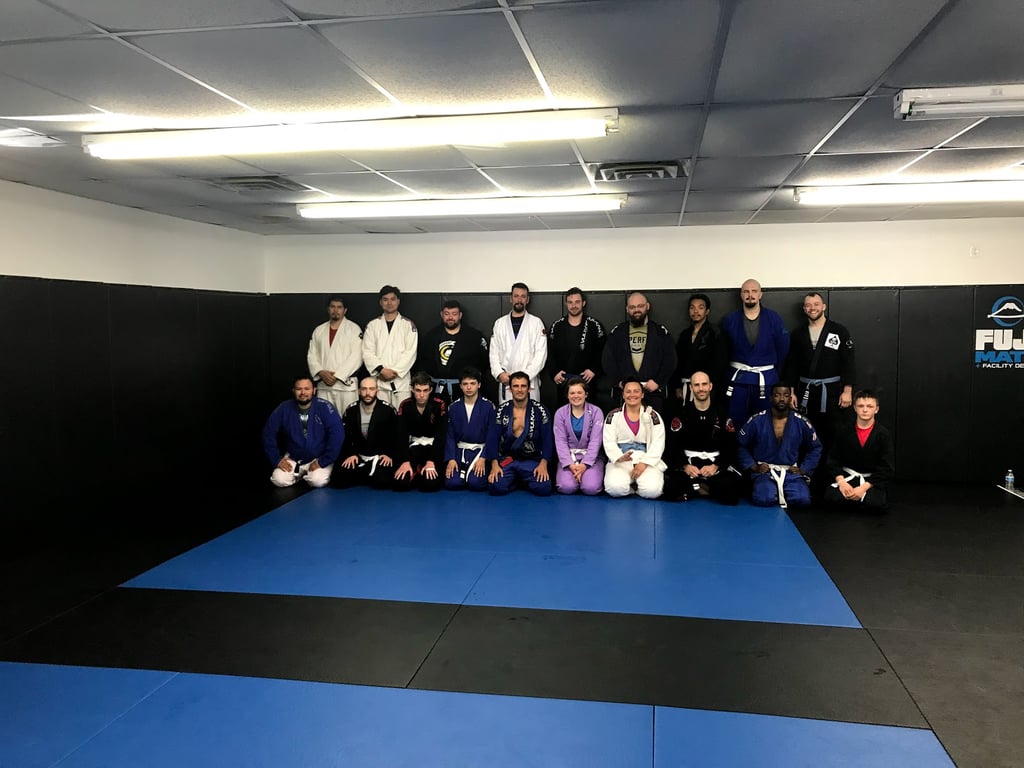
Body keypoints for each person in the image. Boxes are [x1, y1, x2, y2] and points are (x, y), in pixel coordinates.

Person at [783, 291, 856, 453]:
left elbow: (848, 362)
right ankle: (810, 468)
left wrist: (848, 390)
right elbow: (792, 365)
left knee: (833, 433)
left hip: (831, 392)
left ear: (824, 307)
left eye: (816, 304)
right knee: (807, 433)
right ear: (804, 309)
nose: (812, 308)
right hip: (806, 392)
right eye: (808, 305)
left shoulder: (838, 331)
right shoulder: (798, 334)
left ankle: (832, 468)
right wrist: (791, 392)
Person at [736, 383, 821, 508]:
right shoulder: (757, 420)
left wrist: (804, 469)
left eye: (786, 395)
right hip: (765, 472)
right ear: (771, 398)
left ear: (790, 398)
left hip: (790, 472)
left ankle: (784, 490)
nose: (782, 399)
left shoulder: (801, 422)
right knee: (764, 499)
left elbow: (816, 447)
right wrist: (753, 466)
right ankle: (769, 490)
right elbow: (741, 444)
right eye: (777, 395)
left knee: (802, 500)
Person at [720, 279, 790, 430]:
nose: (750, 295)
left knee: (765, 425)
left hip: (765, 379)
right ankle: (737, 446)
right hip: (738, 380)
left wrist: (775, 373)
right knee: (734, 424)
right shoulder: (730, 320)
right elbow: (723, 352)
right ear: (741, 295)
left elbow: (783, 348)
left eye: (754, 291)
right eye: (746, 291)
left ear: (760, 295)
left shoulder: (774, 318)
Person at [663, 371, 741, 504]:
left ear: (710, 386)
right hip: (690, 464)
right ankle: (705, 488)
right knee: (671, 488)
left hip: (713, 464)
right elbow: (672, 444)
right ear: (691, 387)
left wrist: (716, 466)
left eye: (704, 384)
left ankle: (694, 489)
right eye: (697, 385)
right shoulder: (682, 413)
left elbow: (731, 445)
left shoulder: (721, 413)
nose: (701, 388)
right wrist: (685, 465)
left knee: (731, 492)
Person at [262, 376, 344, 488]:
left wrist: (323, 461)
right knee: (278, 480)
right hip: (294, 458)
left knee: (317, 481)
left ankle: (309, 474)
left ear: (314, 390)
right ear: (293, 391)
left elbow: (337, 435)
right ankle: (300, 474)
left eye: (307, 389)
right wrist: (277, 459)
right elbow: (268, 433)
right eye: (299, 389)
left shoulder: (325, 407)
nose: (303, 393)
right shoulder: (284, 408)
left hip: (319, 458)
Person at [602, 291, 677, 414]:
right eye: (632, 307)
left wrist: (658, 382)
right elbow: (607, 360)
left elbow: (671, 360)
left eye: (640, 306)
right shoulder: (618, 332)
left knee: (653, 424)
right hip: (626, 394)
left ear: (647, 306)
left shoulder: (660, 332)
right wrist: (619, 381)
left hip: (652, 392)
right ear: (627, 309)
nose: (636, 310)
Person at [824, 389, 894, 511]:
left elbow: (887, 468)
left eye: (869, 406)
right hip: (848, 477)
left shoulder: (883, 434)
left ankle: (859, 499)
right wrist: (842, 483)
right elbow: (833, 459)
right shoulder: (844, 431)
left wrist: (863, 488)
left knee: (876, 504)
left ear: (876, 409)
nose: (865, 410)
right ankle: (855, 499)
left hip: (870, 481)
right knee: (831, 498)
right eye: (861, 406)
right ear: (855, 408)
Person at [489, 371, 554, 496]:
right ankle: (519, 479)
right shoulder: (501, 411)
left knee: (544, 488)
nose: (519, 390)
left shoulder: (541, 410)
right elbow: (492, 438)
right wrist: (494, 464)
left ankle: (519, 478)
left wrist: (543, 463)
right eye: (516, 386)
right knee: (495, 486)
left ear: (529, 389)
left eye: (523, 386)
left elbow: (547, 439)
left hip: (531, 460)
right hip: (508, 460)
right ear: (510, 389)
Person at [602, 377, 667, 499]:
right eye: (628, 391)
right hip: (622, 459)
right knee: (615, 489)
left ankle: (638, 484)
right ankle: (631, 486)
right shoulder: (613, 416)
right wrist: (619, 457)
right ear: (623, 395)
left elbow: (658, 442)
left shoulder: (653, 416)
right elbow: (608, 441)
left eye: (636, 391)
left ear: (642, 394)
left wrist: (644, 463)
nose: (632, 395)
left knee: (652, 491)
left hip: (645, 459)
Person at [417, 299, 490, 403]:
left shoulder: (473, 336)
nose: (450, 317)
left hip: (464, 389)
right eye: (447, 314)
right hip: (437, 389)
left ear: (460, 315)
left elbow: (483, 363)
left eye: (454, 314)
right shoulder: (431, 336)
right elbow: (422, 361)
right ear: (441, 315)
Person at [336, 377, 399, 489]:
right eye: (364, 389)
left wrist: (389, 454)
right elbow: (345, 436)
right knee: (339, 480)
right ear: (359, 391)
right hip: (358, 455)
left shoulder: (388, 410)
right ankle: (366, 472)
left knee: (381, 482)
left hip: (380, 456)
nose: (367, 393)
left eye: (371, 389)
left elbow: (396, 436)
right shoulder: (351, 410)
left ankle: (366, 473)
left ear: (377, 391)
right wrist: (351, 454)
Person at [489, 282, 547, 403]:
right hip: (506, 380)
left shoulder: (536, 323)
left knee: (530, 413)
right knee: (507, 413)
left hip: (529, 382)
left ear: (527, 299)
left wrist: (525, 377)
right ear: (511, 298)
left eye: (523, 296)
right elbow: (493, 353)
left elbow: (541, 355)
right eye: (516, 296)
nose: (519, 300)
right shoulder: (500, 323)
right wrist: (499, 373)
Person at [362, 285, 418, 409]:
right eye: (385, 299)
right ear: (380, 302)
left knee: (402, 416)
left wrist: (394, 372)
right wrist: (381, 370)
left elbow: (410, 353)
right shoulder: (372, 325)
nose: (389, 303)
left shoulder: (408, 325)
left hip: (400, 382)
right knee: (381, 416)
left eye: (393, 299)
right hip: (380, 380)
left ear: (398, 301)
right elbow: (367, 351)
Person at [548, 287, 606, 406]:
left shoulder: (594, 325)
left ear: (583, 303)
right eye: (570, 302)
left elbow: (602, 351)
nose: (573, 305)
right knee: (564, 412)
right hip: (564, 381)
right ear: (566, 304)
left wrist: (594, 370)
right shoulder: (557, 326)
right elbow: (550, 352)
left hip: (587, 380)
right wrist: (554, 372)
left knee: (589, 412)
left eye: (577, 302)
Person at [444, 367, 498, 492]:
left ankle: (474, 473)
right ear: (460, 386)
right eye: (465, 384)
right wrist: (451, 459)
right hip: (460, 451)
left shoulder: (489, 407)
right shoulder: (453, 407)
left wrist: (483, 458)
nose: (469, 387)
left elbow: (492, 436)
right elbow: (450, 436)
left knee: (476, 484)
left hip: (480, 452)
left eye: (472, 383)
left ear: (479, 385)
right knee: (452, 483)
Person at [306, 295, 363, 413]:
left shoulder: (354, 329)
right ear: (328, 309)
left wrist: (337, 376)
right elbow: (312, 355)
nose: (335, 310)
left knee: (347, 419)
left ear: (345, 310)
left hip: (346, 386)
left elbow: (356, 357)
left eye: (339, 307)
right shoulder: (319, 330)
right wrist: (321, 372)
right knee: (324, 419)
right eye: (332, 307)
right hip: (324, 385)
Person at [393, 371, 448, 493]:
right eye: (418, 390)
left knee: (430, 484)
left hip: (432, 449)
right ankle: (416, 471)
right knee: (400, 483)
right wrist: (405, 461)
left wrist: (432, 461)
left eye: (425, 390)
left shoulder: (439, 404)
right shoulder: (405, 405)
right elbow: (401, 436)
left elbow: (441, 436)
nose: (421, 395)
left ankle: (420, 473)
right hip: (413, 448)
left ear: (430, 390)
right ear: (412, 389)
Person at [552, 377, 605, 495]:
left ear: (586, 394)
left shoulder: (596, 412)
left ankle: (587, 473)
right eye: (572, 393)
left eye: (579, 392)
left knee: (591, 488)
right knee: (566, 487)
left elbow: (596, 441)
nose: (576, 396)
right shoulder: (560, 413)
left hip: (591, 458)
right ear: (567, 395)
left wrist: (584, 465)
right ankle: (571, 473)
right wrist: (570, 465)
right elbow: (560, 441)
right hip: (569, 457)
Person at [672, 293, 726, 404]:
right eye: (692, 308)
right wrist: (677, 386)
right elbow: (677, 362)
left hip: (708, 388)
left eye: (700, 308)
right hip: (686, 386)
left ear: (707, 311)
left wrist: (707, 386)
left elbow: (720, 363)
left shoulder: (716, 333)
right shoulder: (685, 334)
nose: (696, 311)